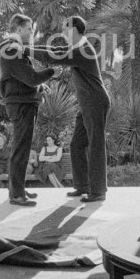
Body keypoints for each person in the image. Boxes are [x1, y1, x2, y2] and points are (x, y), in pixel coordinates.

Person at [35, 15, 110, 203]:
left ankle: (98, 191)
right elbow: (55, 50)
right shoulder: (76, 48)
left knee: (95, 145)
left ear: (74, 30)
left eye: (65, 29)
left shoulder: (83, 50)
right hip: (86, 103)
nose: (62, 33)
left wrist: (24, 50)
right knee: (77, 144)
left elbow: (52, 56)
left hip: (95, 101)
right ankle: (82, 186)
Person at [0, 13, 61, 206]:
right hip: (21, 105)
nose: (32, 32)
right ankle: (17, 195)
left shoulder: (15, 49)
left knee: (22, 148)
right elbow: (31, 78)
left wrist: (40, 87)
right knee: (20, 149)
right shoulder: (11, 50)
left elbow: (23, 79)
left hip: (22, 103)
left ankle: (17, 190)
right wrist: (52, 72)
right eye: (28, 29)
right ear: (18, 30)